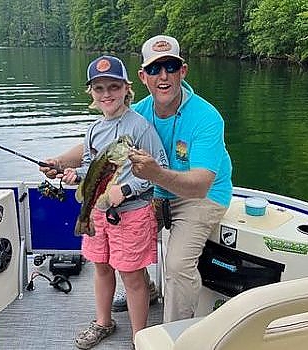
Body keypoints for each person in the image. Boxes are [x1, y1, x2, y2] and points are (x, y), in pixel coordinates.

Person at [41, 35, 232, 324]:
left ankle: (170, 335)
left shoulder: (206, 118)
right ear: (143, 77)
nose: (163, 76)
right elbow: (100, 152)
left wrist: (152, 176)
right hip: (154, 192)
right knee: (131, 243)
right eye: (155, 69)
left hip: (198, 198)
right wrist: (60, 162)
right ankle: (146, 289)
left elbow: (201, 184)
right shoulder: (139, 111)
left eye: (170, 67)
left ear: (183, 71)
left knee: (178, 266)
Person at [59, 55, 168, 349]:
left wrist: (129, 189)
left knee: (132, 276)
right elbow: (89, 167)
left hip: (132, 214)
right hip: (98, 213)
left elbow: (159, 167)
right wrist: (74, 174)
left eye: (113, 87)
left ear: (126, 89)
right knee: (102, 268)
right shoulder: (94, 129)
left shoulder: (140, 127)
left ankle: (139, 337)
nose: (106, 94)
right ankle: (104, 322)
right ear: (91, 94)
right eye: (99, 89)